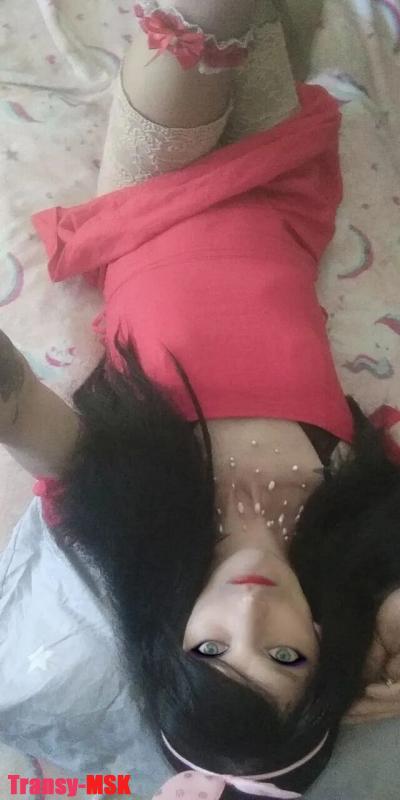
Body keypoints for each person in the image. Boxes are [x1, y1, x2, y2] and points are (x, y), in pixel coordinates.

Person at [1, 1, 400, 796]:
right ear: (325, 645)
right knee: (275, 25)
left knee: (212, 21)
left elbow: (16, 409)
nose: (248, 616)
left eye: (210, 651)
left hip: (148, 209)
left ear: (168, 642)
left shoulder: (128, 516)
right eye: (284, 657)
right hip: (283, 201)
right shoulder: (358, 517)